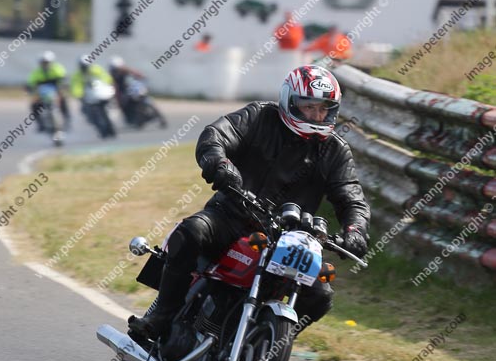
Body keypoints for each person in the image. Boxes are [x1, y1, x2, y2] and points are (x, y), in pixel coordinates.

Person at [129, 64, 370, 341]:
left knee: (320, 295)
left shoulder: (335, 150)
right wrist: (220, 164)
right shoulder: (259, 116)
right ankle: (161, 317)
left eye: (323, 108)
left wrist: (355, 231)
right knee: (191, 233)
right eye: (308, 107)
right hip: (233, 215)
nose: (317, 115)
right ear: (289, 101)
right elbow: (216, 135)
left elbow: (352, 198)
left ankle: (263, 351)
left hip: (290, 239)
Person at [109, 56, 167, 128]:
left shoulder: (127, 70)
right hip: (125, 93)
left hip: (135, 89)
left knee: (148, 100)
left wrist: (142, 77)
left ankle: (157, 117)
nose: (119, 69)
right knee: (123, 104)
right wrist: (117, 97)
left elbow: (138, 74)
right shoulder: (114, 74)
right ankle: (134, 119)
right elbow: (115, 86)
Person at [26, 51, 70, 130]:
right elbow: (31, 82)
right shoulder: (36, 72)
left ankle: (67, 119)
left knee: (63, 99)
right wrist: (29, 88)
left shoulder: (57, 68)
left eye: (46, 62)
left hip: (55, 91)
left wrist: (63, 84)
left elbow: (63, 77)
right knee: (34, 105)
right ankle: (40, 124)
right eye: (43, 62)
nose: (45, 64)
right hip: (43, 94)